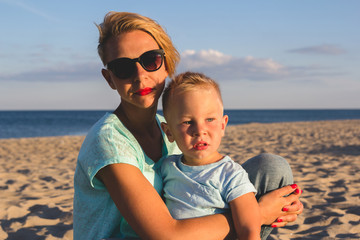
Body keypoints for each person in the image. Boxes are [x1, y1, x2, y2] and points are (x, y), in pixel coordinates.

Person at [73, 11, 303, 240]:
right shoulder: (109, 141)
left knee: (271, 168)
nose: (139, 75)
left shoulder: (168, 127)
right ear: (109, 78)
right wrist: (258, 214)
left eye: (150, 60)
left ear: (166, 65)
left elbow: (204, 186)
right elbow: (165, 235)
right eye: (123, 67)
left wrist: (266, 205)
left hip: (182, 228)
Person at [160, 71, 261, 239]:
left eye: (209, 119)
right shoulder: (167, 167)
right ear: (169, 132)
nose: (200, 131)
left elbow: (248, 229)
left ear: (223, 125)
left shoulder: (230, 174)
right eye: (187, 122)